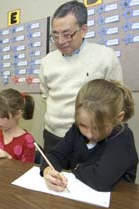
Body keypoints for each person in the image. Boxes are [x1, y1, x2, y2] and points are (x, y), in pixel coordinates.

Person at [39, 1, 123, 152]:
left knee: (88, 176)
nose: (60, 41)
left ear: (83, 30)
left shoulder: (105, 57)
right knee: (51, 174)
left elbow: (116, 99)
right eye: (55, 35)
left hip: (91, 137)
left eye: (67, 34)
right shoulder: (47, 62)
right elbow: (46, 96)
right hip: (54, 135)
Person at [40, 79, 138, 192]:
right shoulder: (76, 130)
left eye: (99, 128)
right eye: (83, 125)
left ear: (118, 118)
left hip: (117, 201)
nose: (89, 134)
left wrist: (76, 167)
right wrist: (48, 170)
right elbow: (54, 155)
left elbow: (101, 180)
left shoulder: (122, 137)